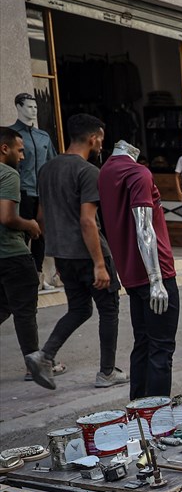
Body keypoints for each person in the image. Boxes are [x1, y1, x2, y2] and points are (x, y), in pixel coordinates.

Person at [25, 114, 126, 391]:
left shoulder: (47, 170)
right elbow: (87, 221)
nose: (101, 145)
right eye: (101, 139)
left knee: (80, 309)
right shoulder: (88, 172)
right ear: (93, 137)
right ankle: (107, 372)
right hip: (90, 254)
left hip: (64, 255)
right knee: (108, 309)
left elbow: (41, 217)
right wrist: (99, 265)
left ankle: (44, 355)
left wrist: (58, 253)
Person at [98, 140, 179, 399]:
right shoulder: (138, 173)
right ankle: (156, 418)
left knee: (144, 344)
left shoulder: (106, 172)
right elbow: (144, 227)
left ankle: (140, 412)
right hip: (155, 272)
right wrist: (157, 280)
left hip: (132, 274)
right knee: (161, 349)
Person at [0, 127, 55, 381]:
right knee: (25, 311)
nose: (22, 157)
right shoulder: (8, 174)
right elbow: (8, 217)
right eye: (20, 150)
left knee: (3, 307)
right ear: (5, 149)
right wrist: (31, 225)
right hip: (12, 253)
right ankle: (34, 363)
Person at [8, 93, 57, 290]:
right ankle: (22, 278)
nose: (34, 110)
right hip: (22, 192)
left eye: (35, 107)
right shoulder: (10, 135)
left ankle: (39, 277)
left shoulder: (43, 136)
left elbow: (52, 163)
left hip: (42, 194)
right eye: (29, 107)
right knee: (22, 236)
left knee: (41, 236)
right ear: (18, 107)